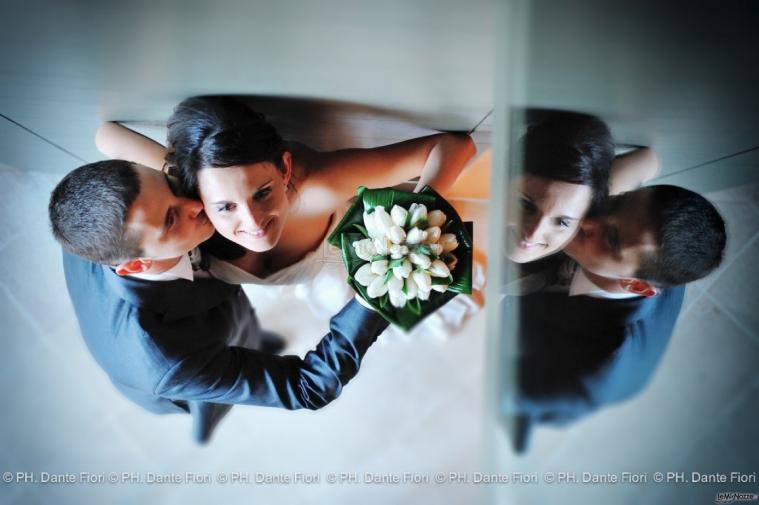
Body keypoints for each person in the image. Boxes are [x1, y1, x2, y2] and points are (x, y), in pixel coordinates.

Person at [49, 160, 391, 444]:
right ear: (138, 265)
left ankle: (252, 341)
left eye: (169, 184)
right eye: (170, 219)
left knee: (244, 329)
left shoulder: (92, 217)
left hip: (187, 310)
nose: (198, 205)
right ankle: (208, 418)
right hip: (165, 374)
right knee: (215, 397)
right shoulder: (170, 361)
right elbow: (308, 388)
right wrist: (376, 293)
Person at [95, 96, 477, 283]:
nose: (254, 223)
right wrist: (173, 171)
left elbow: (454, 146)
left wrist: (418, 216)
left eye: (262, 193)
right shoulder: (186, 196)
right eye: (225, 207)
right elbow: (105, 135)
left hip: (337, 269)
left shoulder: (318, 186)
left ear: (286, 168)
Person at [503, 184, 727, 452]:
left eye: (611, 239)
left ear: (637, 286)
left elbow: (502, 387)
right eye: (615, 203)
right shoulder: (658, 249)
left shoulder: (594, 370)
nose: (584, 220)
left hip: (577, 382)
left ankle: (525, 423)